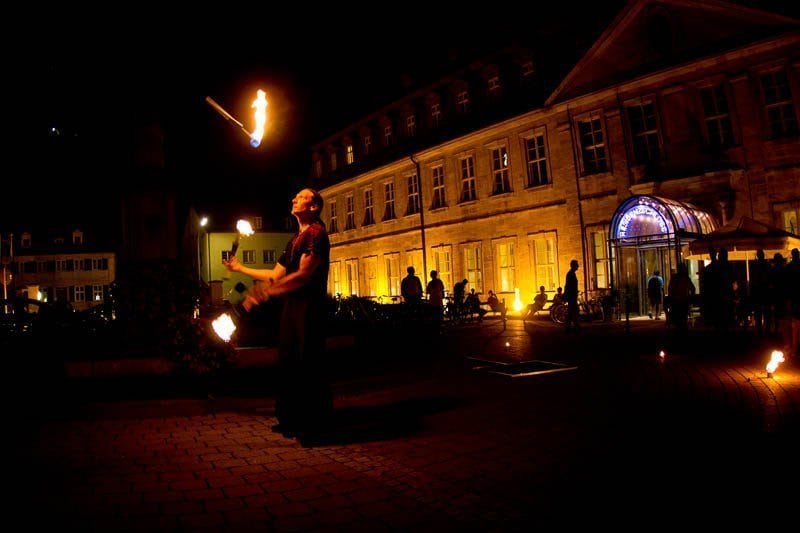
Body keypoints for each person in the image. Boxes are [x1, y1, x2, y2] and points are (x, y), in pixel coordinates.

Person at [224, 188, 331, 442]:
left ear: (314, 206)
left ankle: (312, 426)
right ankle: (291, 420)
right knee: (290, 362)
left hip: (308, 308)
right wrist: (240, 268)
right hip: (291, 308)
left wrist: (266, 293)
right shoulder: (295, 239)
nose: (294, 199)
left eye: (301, 197)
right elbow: (275, 275)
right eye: (294, 195)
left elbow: (304, 276)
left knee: (307, 363)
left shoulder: (316, 234)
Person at [667, 263, 695, 331]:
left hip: (675, 300)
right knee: (683, 317)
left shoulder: (674, 277)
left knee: (677, 318)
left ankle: (678, 331)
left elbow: (670, 288)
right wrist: (690, 296)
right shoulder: (686, 278)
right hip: (684, 300)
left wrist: (671, 297)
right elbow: (693, 288)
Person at [564, 259, 580, 333]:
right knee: (574, 310)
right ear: (573, 266)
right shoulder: (570, 274)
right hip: (572, 296)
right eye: (577, 265)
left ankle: (570, 325)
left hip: (572, 295)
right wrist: (571, 293)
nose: (578, 266)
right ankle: (573, 325)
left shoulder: (572, 273)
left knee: (572, 310)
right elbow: (568, 285)